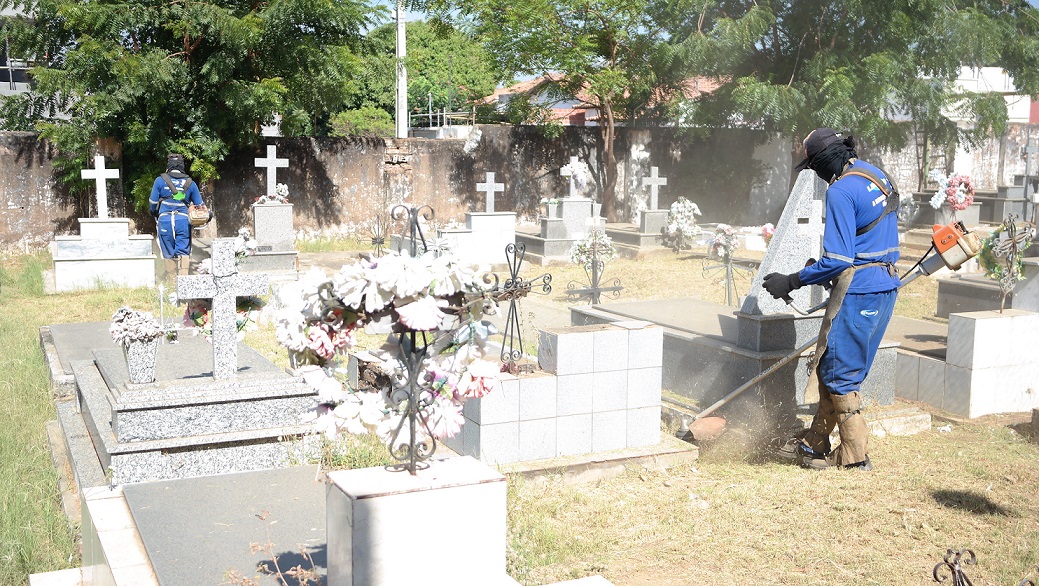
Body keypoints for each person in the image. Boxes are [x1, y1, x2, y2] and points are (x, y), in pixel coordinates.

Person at [763, 128, 901, 471]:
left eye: (814, 167)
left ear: (823, 161)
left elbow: (838, 260)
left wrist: (791, 280)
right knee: (833, 366)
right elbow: (868, 238)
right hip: (885, 286)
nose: (817, 175)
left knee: (841, 375)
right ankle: (814, 444)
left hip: (860, 292)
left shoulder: (840, 191)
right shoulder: (876, 174)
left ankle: (855, 458)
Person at [150, 153, 203, 277]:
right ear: (182, 166)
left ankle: (172, 279)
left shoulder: (160, 180)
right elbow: (200, 206)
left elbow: (153, 202)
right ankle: (183, 280)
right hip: (183, 221)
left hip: (165, 220)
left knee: (167, 250)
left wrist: (154, 213)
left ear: (168, 165)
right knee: (183, 249)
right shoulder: (190, 183)